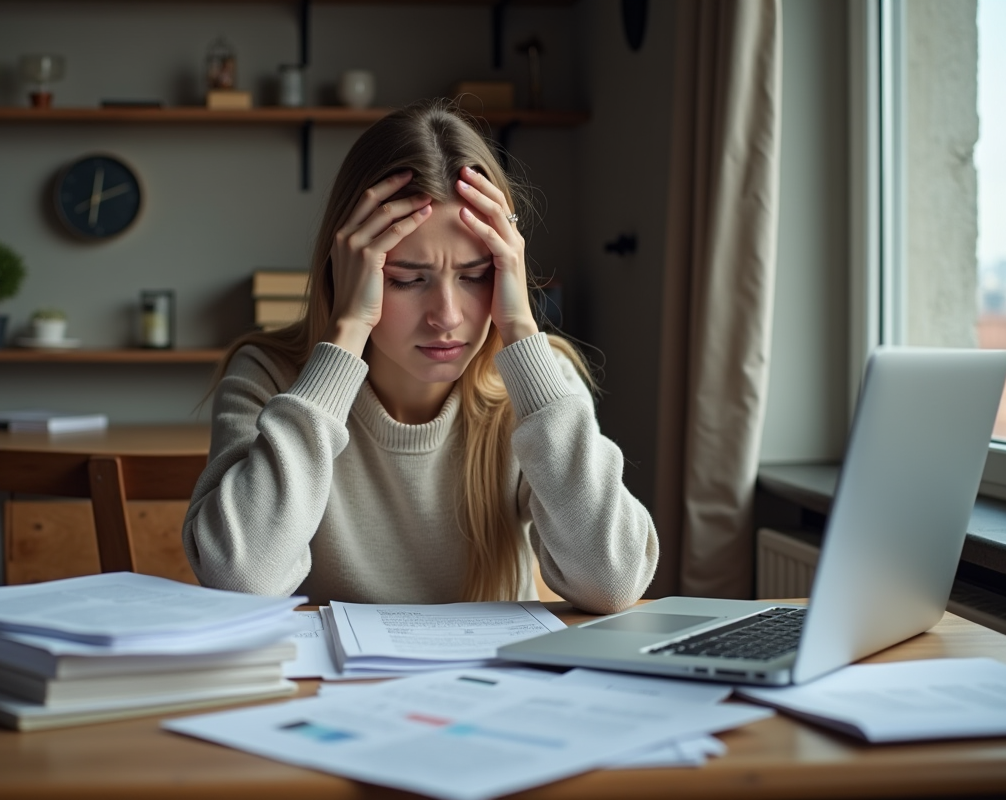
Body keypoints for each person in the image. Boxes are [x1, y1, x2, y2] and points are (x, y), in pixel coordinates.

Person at [183, 99, 658, 613]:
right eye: (407, 279)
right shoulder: (268, 376)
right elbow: (241, 578)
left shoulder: (537, 381)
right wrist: (344, 334)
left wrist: (520, 330)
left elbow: (612, 582)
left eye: (476, 275)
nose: (447, 315)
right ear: (346, 271)